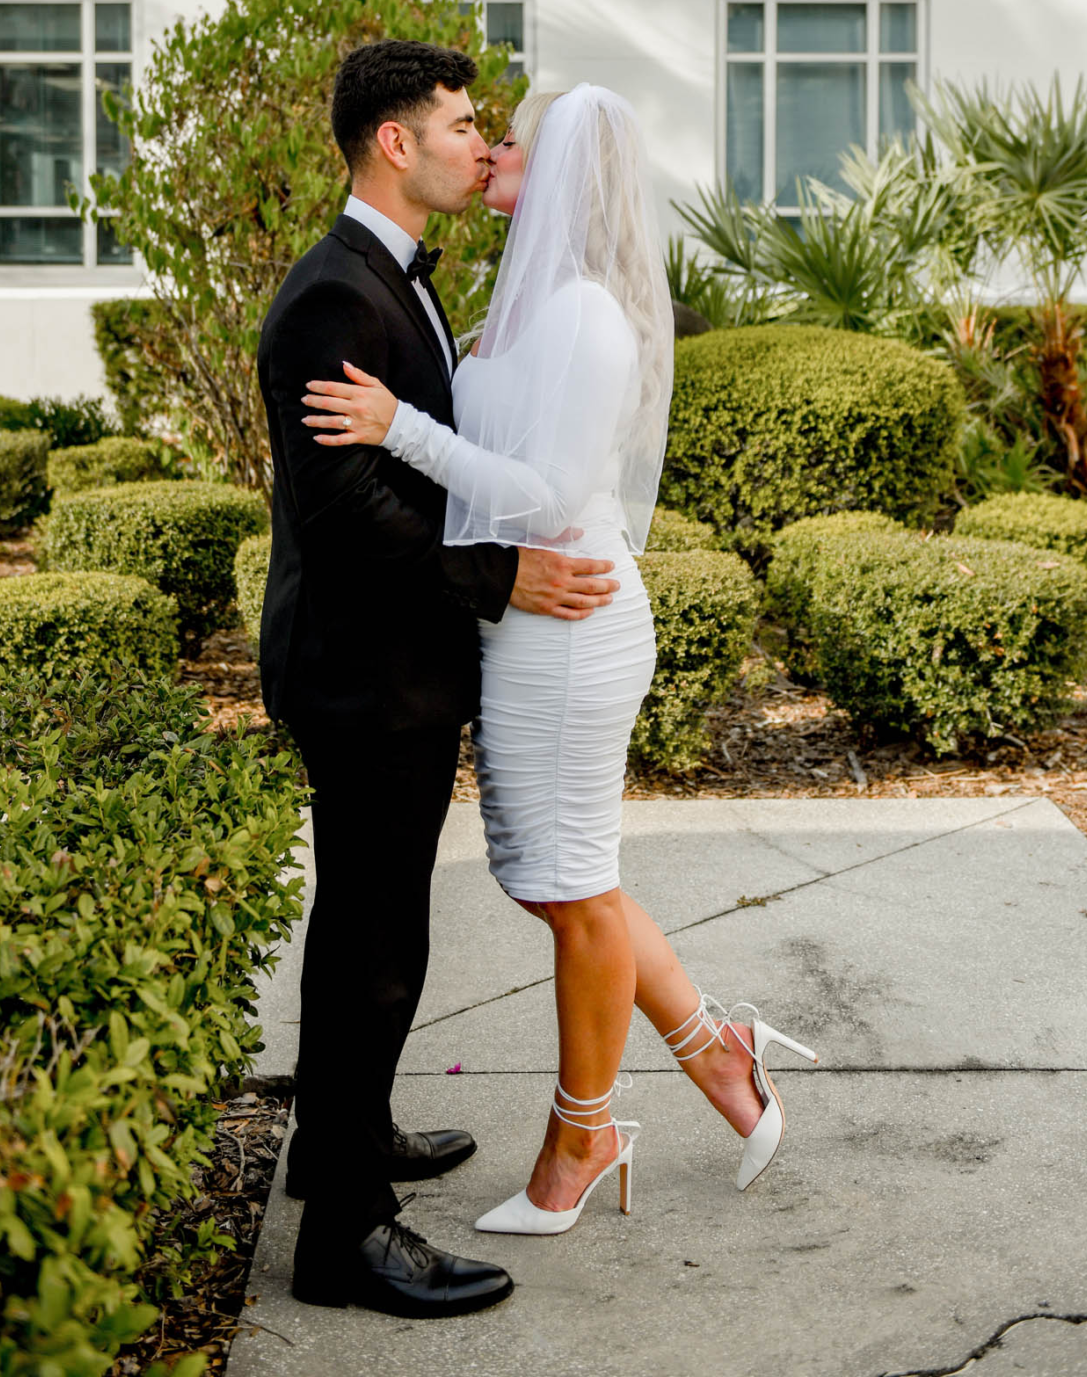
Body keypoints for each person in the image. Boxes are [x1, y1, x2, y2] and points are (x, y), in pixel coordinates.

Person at [302, 82, 819, 1237]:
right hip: (519, 620)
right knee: (558, 876)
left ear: (565, 173)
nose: (490, 152)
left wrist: (399, 427)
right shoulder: (526, 298)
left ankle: (583, 1134)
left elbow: (542, 495)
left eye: (510, 142)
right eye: (482, 136)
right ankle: (717, 1051)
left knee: (568, 885)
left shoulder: (585, 315)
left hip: (573, 627)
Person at [256, 41, 624, 1318]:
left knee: (375, 930)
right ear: (395, 143)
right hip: (361, 672)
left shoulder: (390, 275)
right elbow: (344, 508)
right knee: (374, 949)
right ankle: (345, 1238)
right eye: (463, 125)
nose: (483, 143)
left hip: (392, 665)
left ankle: (342, 1144)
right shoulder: (332, 298)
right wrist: (500, 578)